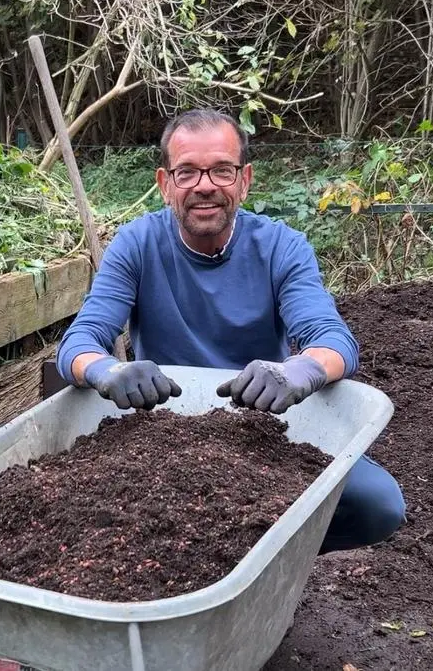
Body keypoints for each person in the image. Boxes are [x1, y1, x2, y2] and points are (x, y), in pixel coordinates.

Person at [55, 108, 405, 553]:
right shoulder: (136, 245)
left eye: (222, 170)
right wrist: (107, 371)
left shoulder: (282, 248)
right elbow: (80, 341)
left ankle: (263, 561)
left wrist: (297, 372)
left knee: (377, 504)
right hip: (160, 434)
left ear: (244, 180)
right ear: (166, 185)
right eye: (187, 172)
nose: (205, 186)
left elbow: (333, 341)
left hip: (265, 431)